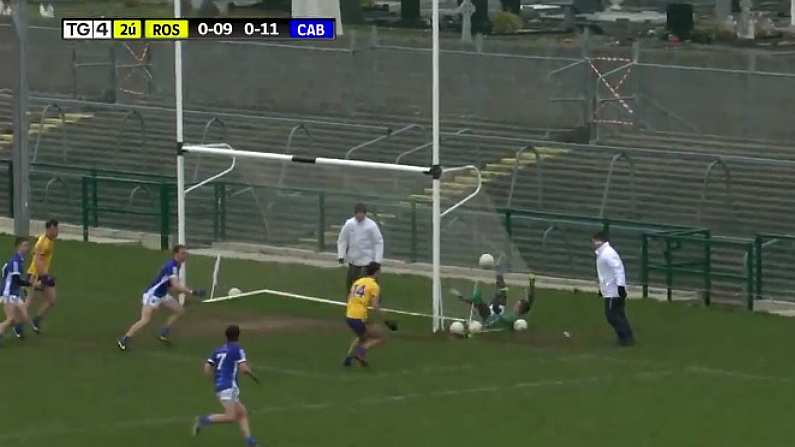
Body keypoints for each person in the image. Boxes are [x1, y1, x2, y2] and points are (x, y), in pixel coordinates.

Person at [116, 245, 205, 351]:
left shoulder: (177, 265)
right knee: (145, 319)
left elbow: (171, 285)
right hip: (152, 295)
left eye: (186, 253)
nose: (186, 255)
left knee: (180, 310)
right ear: (176, 254)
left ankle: (163, 331)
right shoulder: (171, 266)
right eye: (183, 253)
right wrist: (192, 292)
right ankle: (124, 338)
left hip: (162, 294)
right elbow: (175, 285)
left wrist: (182, 291)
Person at [193, 324, 260, 447]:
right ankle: (203, 420)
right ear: (238, 336)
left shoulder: (218, 350)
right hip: (229, 386)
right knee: (231, 416)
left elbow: (207, 367)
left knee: (242, 413)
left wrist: (213, 380)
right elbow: (243, 369)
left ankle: (249, 441)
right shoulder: (238, 349)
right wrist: (253, 375)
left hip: (222, 386)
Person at [343, 262, 396, 367]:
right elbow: (375, 306)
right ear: (376, 272)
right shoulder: (374, 286)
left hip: (350, 315)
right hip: (358, 317)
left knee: (362, 337)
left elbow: (349, 297)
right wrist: (387, 321)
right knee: (380, 336)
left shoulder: (358, 282)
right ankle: (360, 352)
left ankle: (349, 358)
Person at [592, 231, 635, 346]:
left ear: (599, 241)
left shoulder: (607, 253)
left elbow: (618, 269)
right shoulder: (603, 253)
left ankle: (625, 338)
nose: (593, 243)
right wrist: (602, 290)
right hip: (610, 289)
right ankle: (626, 337)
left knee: (612, 315)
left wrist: (620, 286)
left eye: (594, 241)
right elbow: (606, 274)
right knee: (618, 313)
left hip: (613, 290)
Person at [455, 270, 536, 330]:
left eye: (517, 305)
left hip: (490, 318)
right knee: (481, 301)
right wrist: (532, 284)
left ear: (520, 308)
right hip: (492, 316)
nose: (515, 305)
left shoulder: (514, 317)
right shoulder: (520, 315)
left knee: (479, 300)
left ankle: (464, 299)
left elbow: (500, 321)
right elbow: (531, 300)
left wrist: (487, 323)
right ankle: (465, 300)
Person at [337, 203, 384, 294]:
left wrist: (377, 261)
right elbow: (342, 240)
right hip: (353, 260)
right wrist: (341, 255)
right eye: (358, 214)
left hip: (367, 261)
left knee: (369, 284)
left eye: (361, 214)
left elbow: (379, 242)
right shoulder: (349, 224)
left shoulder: (371, 226)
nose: (359, 217)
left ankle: (374, 301)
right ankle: (351, 302)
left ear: (365, 214)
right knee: (351, 285)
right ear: (355, 214)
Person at [25, 218, 59, 335]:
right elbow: (38, 260)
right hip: (35, 275)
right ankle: (16, 324)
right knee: (29, 301)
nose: (58, 232)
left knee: (51, 300)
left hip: (42, 274)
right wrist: (44, 276)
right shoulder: (43, 242)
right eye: (56, 229)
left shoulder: (48, 240)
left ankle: (36, 320)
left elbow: (34, 254)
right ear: (50, 229)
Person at [0, 237, 34, 343]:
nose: (27, 248)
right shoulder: (15, 261)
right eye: (24, 245)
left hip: (14, 292)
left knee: (24, 318)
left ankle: (13, 328)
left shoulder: (19, 260)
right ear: (18, 247)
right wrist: (31, 284)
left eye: (28, 245)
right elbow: (17, 280)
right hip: (8, 293)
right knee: (10, 319)